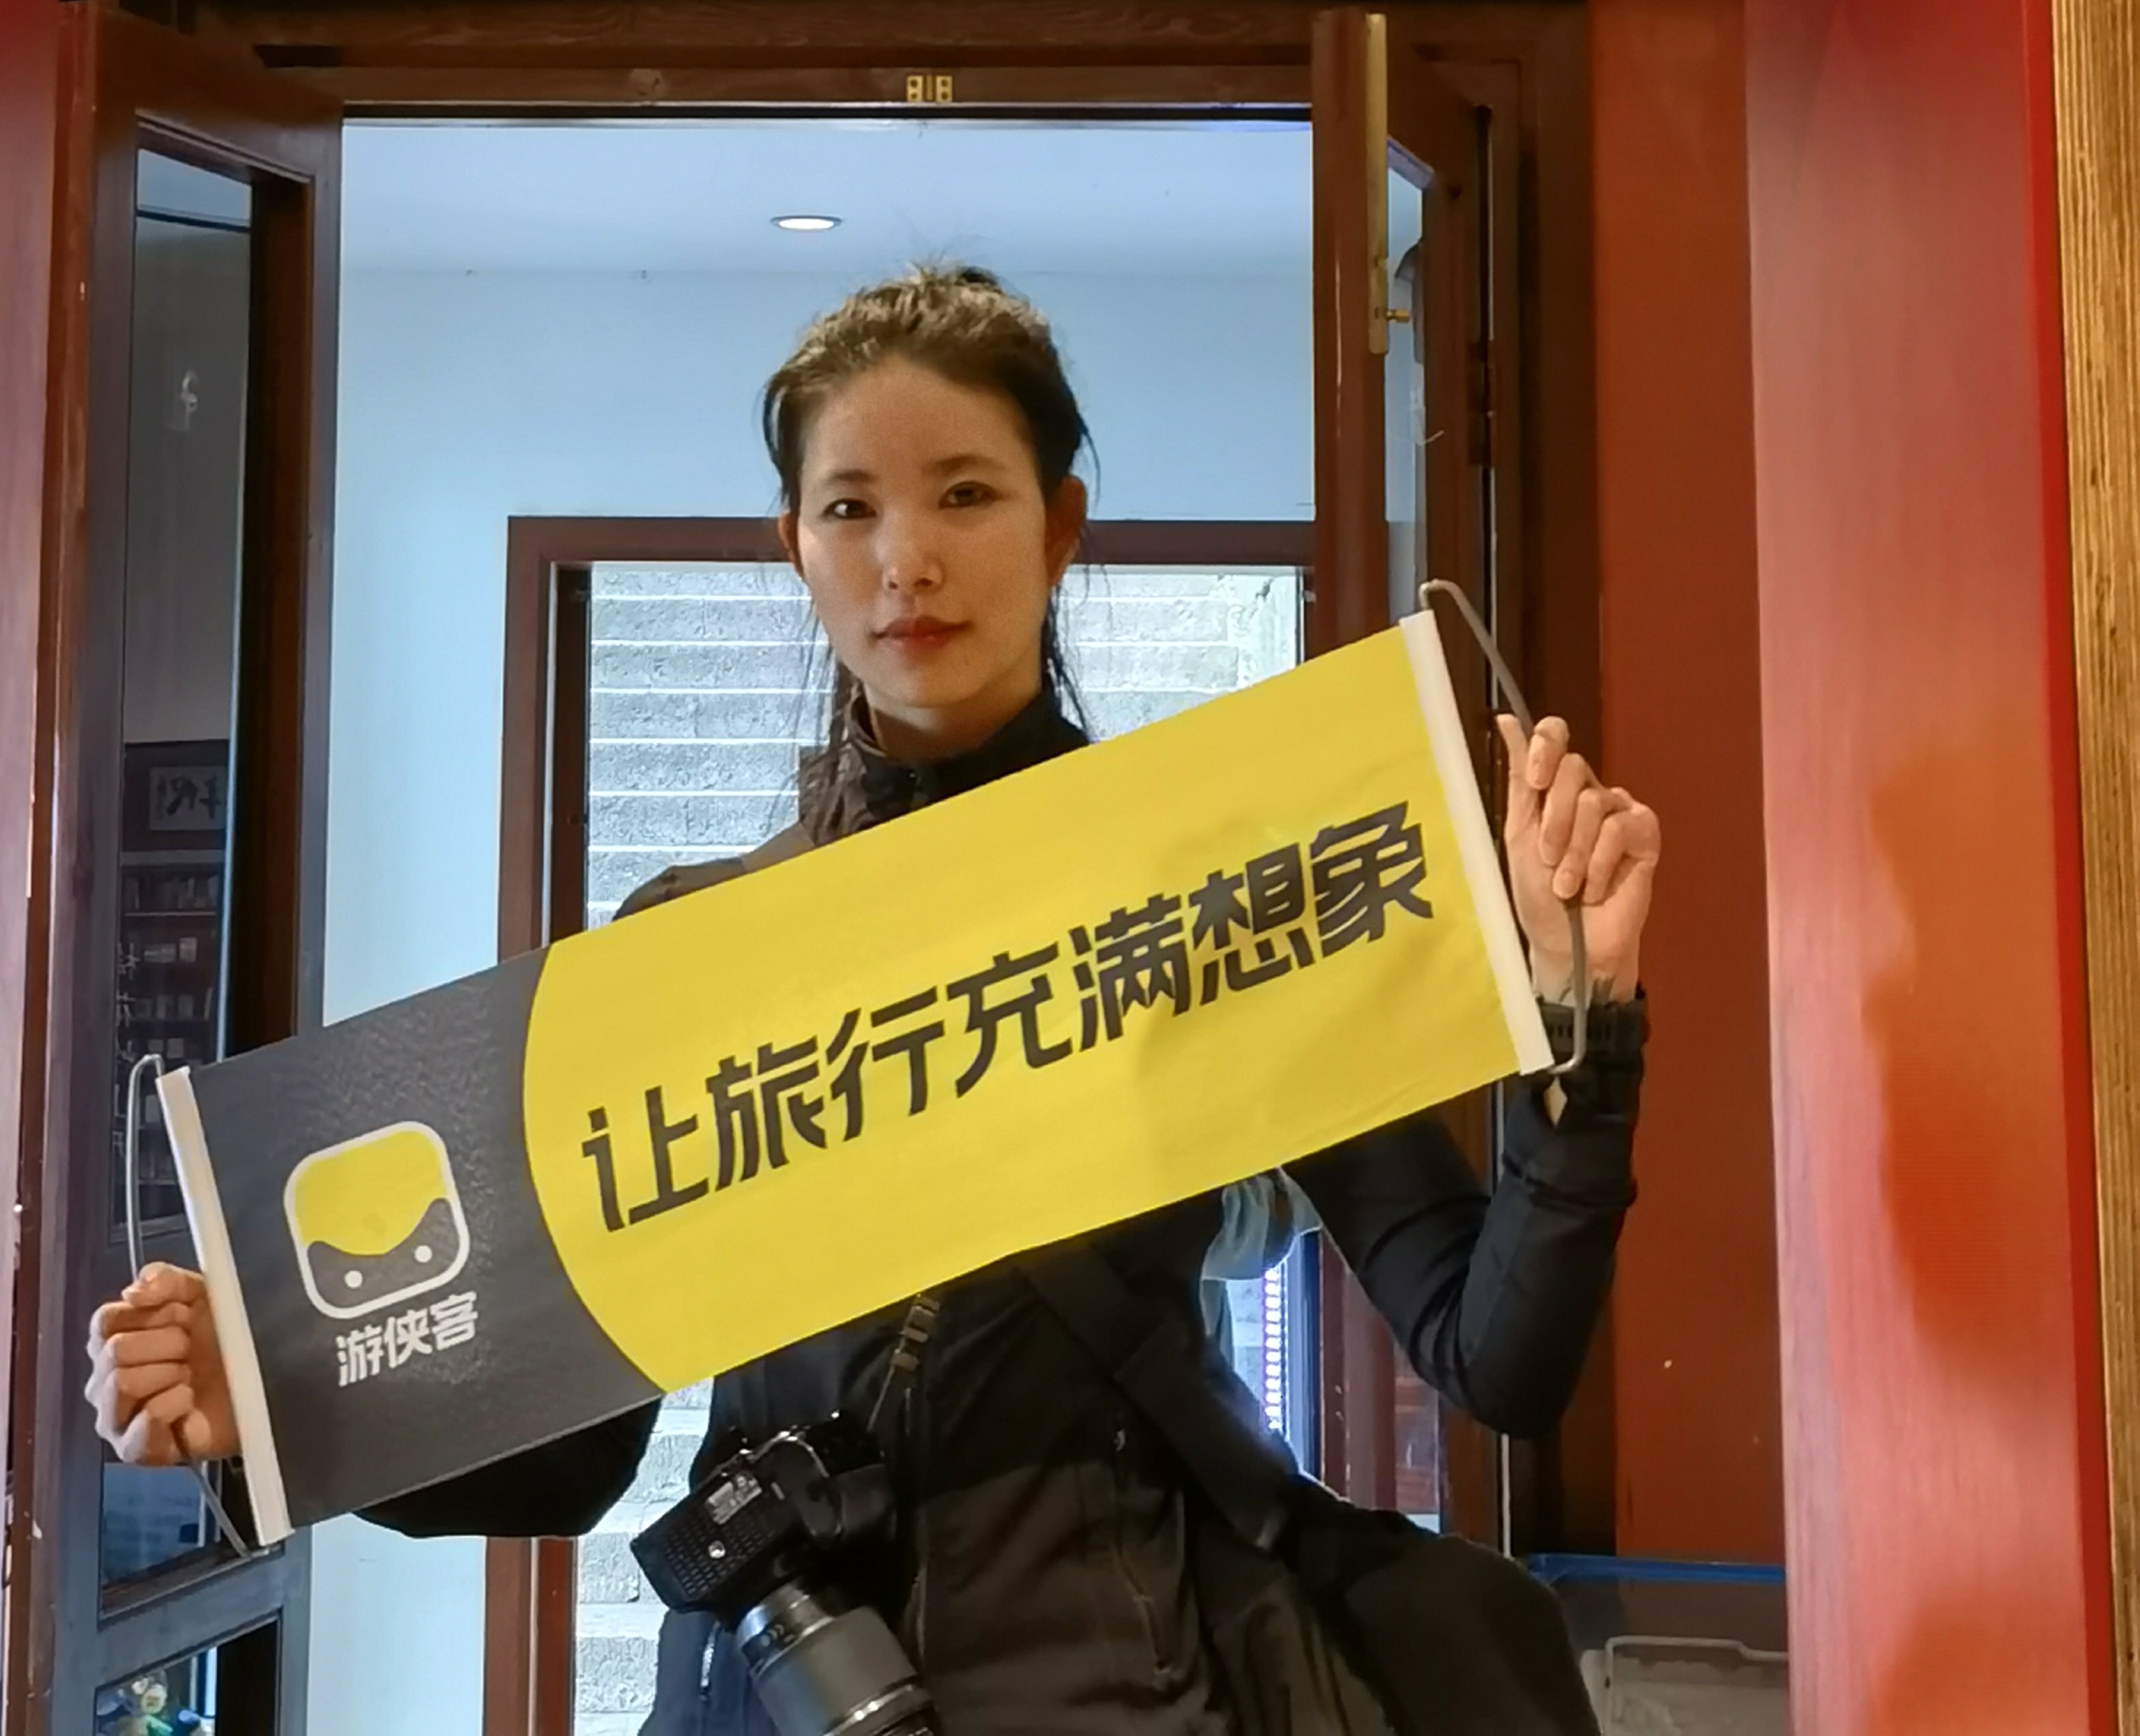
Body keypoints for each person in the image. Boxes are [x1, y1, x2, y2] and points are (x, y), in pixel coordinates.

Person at [89, 268, 1660, 1734]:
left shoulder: (1226, 894)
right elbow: (574, 1457)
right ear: (797, 545)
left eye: (966, 493)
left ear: (1061, 523)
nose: (907, 557)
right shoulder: (692, 950)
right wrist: (277, 1402)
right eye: (852, 505)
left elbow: (1494, 1357)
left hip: (1138, 1694)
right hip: (781, 1686)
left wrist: (1578, 1014)